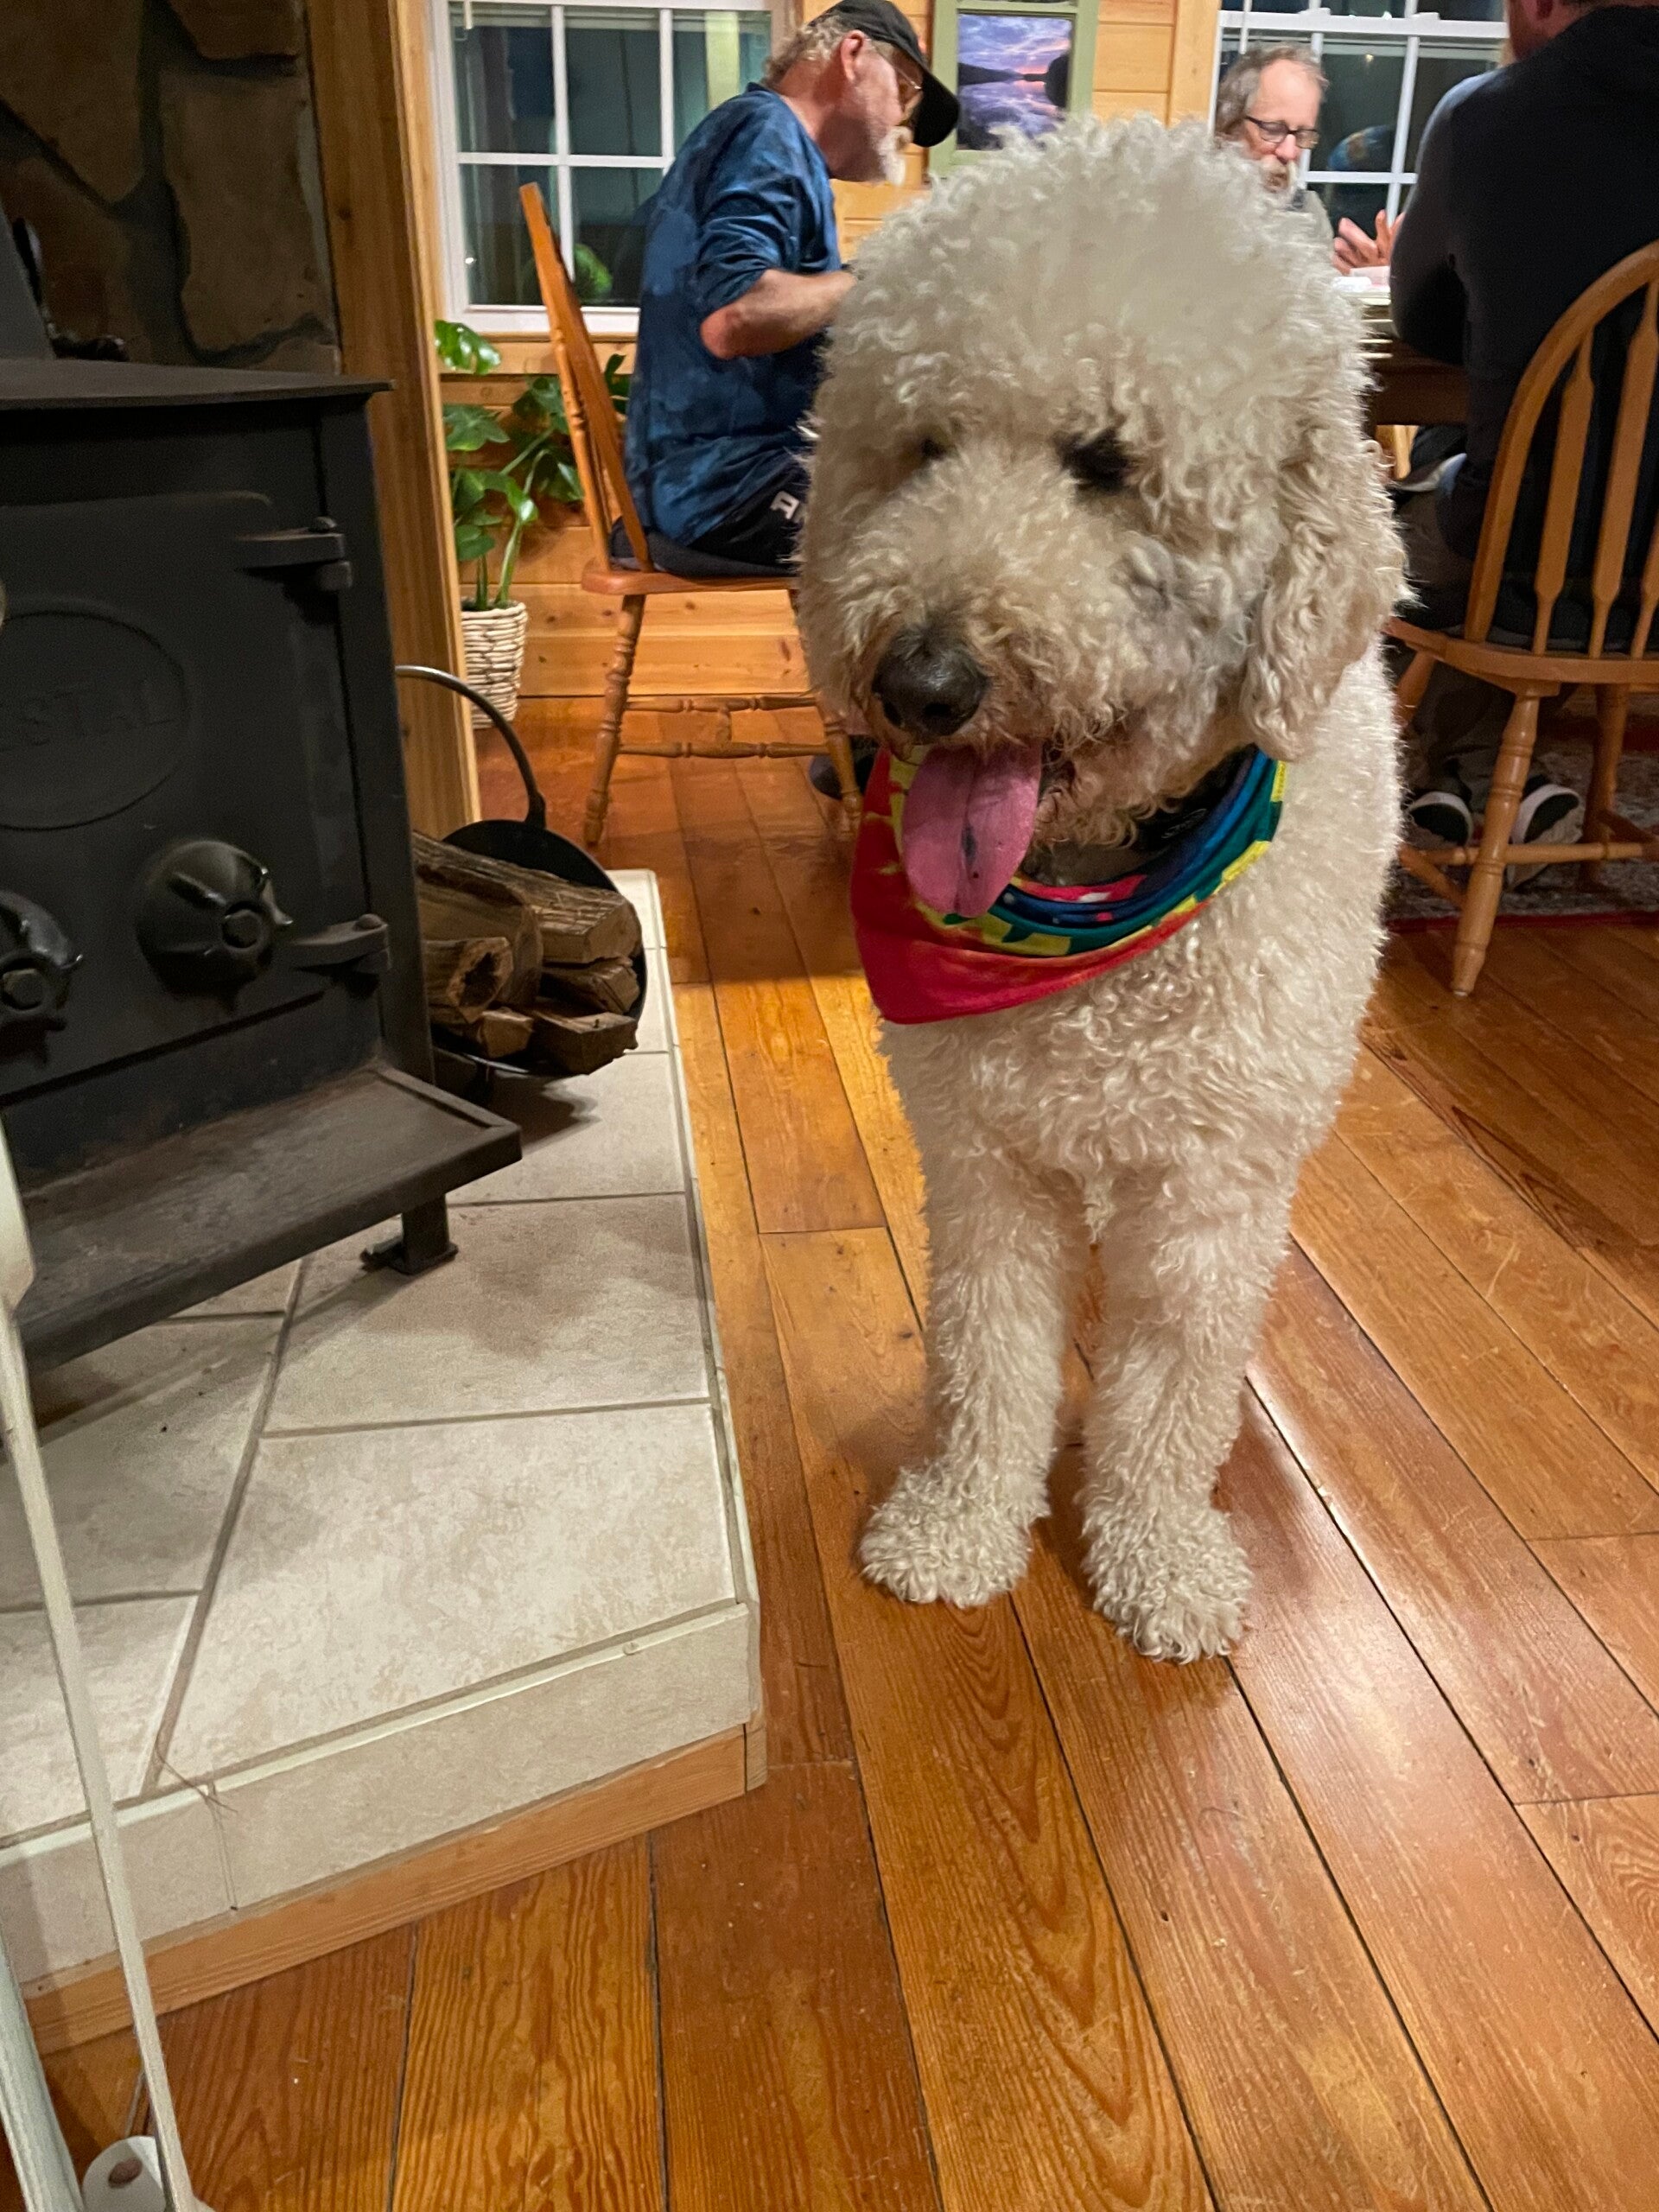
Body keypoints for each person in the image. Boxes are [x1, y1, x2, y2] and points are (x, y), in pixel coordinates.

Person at [1391, 0, 1659, 857]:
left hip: (1519, 549)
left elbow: (1424, 324)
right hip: (1653, 579)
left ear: (1540, 4)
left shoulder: (1486, 115)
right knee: (1477, 473)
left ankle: (1436, 781)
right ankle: (1493, 782)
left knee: (1352, 541)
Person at [623, 0, 957, 577]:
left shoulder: (764, 139)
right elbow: (735, 318)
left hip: (705, 477)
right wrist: (877, 275)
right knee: (957, 522)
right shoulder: (767, 133)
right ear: (853, 55)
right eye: (905, 91)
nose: (903, 123)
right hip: (721, 489)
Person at [1212, 47, 1333, 252]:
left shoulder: (1309, 218)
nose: (1289, 153)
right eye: (1273, 129)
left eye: (1302, 134)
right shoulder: (1190, 205)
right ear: (1230, 125)